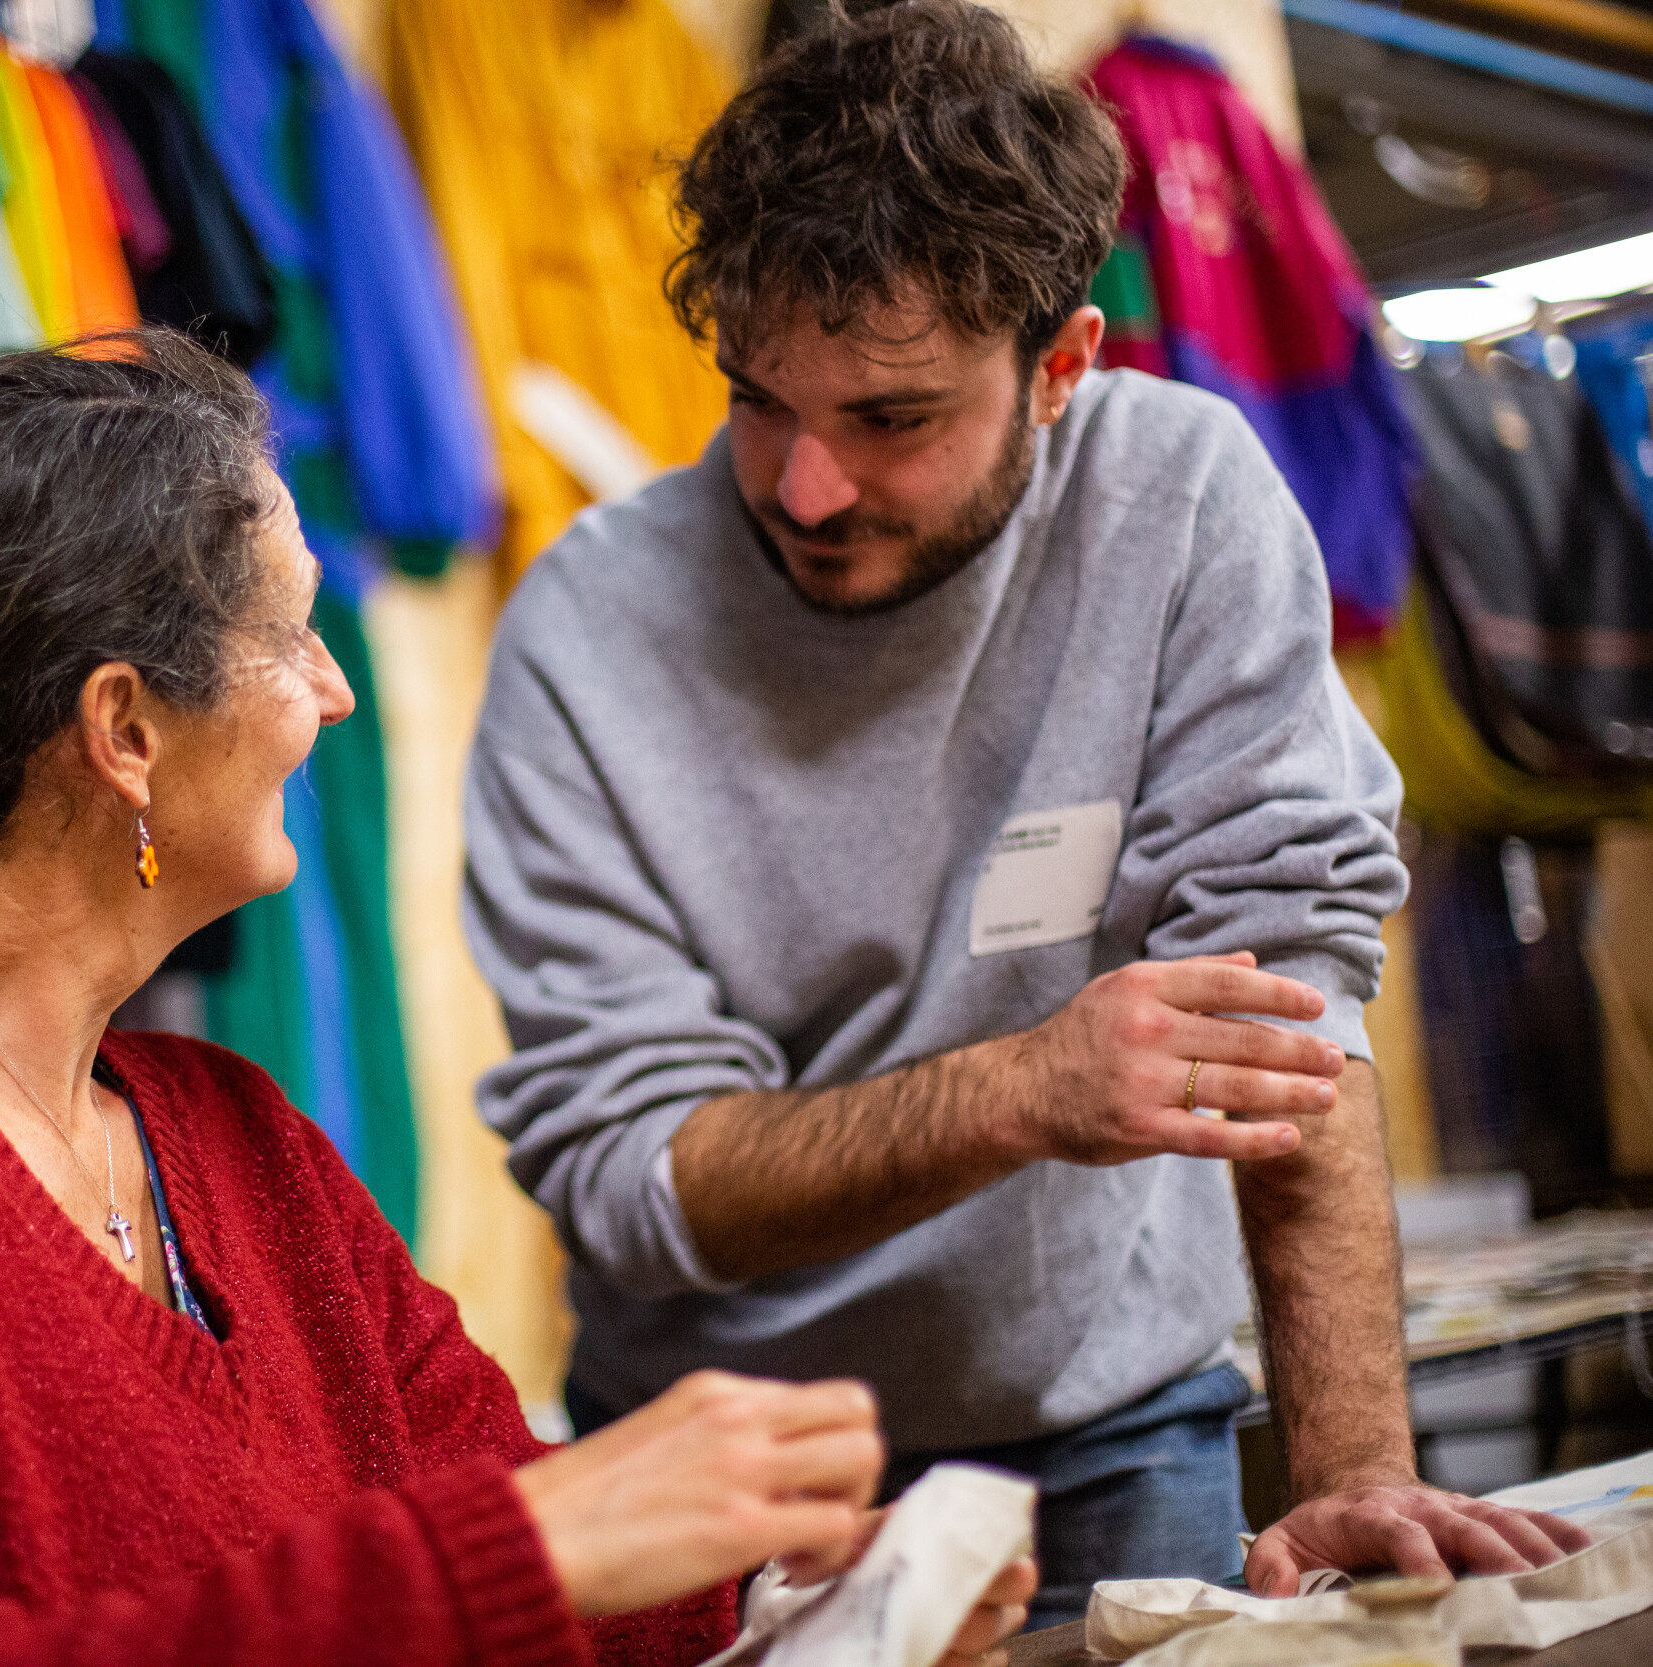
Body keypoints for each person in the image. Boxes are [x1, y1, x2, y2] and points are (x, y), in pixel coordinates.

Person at [0, 333, 1033, 1667]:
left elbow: (524, 1556)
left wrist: (803, 1589)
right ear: (124, 727)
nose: (337, 690)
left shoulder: (234, 1141)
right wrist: (540, 1548)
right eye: (293, 632)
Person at [461, 0, 1589, 1631]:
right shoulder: (586, 628)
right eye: (760, 398)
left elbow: (1287, 993)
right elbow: (630, 1167)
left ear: (1061, 366)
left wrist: (1352, 1463)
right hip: (723, 1468)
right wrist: (1022, 1091)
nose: (802, 487)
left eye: (893, 418)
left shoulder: (1183, 498)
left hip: (1111, 1434)